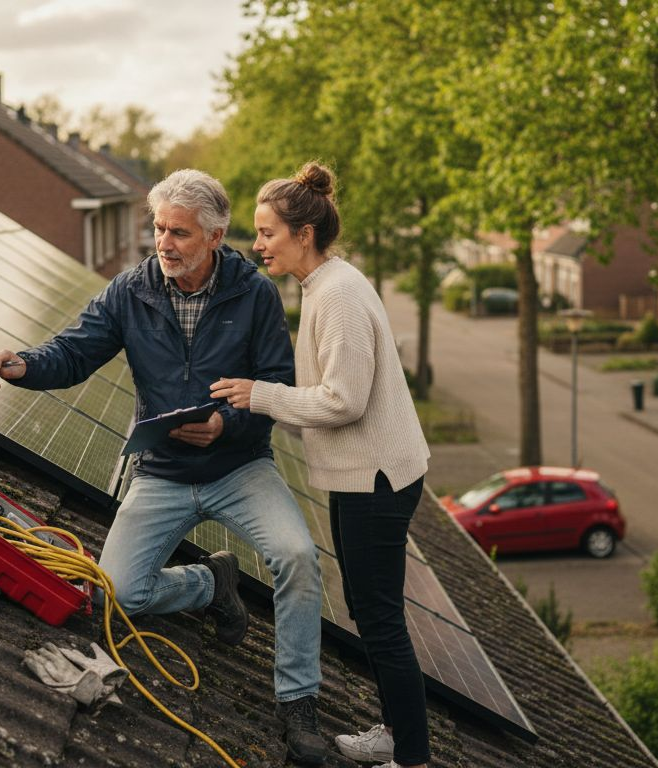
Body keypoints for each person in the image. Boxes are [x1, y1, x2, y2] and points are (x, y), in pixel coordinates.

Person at [0, 169, 328, 765]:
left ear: (215, 237)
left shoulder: (255, 295)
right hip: (161, 471)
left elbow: (276, 386)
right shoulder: (129, 291)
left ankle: (298, 702)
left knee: (297, 556)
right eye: (159, 229)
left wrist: (225, 425)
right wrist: (23, 366)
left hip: (239, 467)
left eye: (180, 233)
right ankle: (210, 583)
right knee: (115, 596)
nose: (164, 243)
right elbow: (72, 352)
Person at [210, 162, 431, 768]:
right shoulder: (324, 284)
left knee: (381, 621)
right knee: (366, 608)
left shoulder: (335, 296)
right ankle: (396, 731)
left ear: (303, 235)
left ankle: (411, 757)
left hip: (377, 480)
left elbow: (344, 400)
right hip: (363, 477)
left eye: (267, 233)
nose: (256, 246)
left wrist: (260, 394)